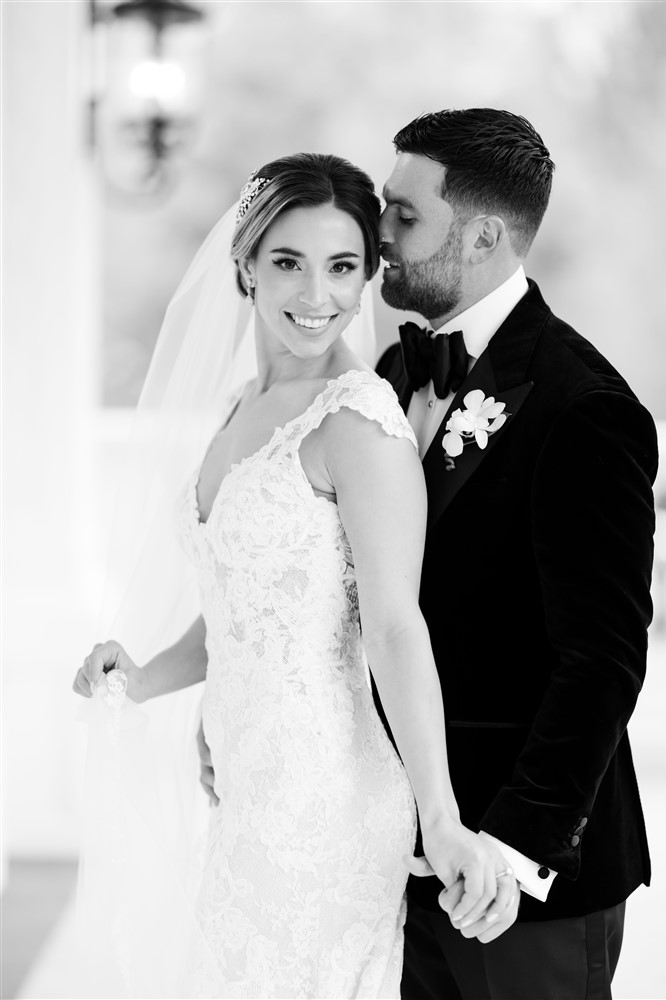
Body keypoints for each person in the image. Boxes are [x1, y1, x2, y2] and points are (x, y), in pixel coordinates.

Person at [73, 153, 517, 1000]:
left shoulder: (358, 422)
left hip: (329, 800)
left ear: (366, 279)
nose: (317, 294)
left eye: (343, 267)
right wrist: (141, 675)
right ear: (244, 264)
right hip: (246, 785)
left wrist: (444, 818)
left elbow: (394, 627)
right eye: (288, 262)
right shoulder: (238, 406)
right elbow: (240, 611)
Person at [373, 108, 657, 1000]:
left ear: (486, 233)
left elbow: (603, 662)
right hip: (388, 851)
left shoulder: (586, 409)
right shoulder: (391, 376)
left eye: (404, 214)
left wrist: (510, 846)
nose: (379, 233)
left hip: (521, 883)